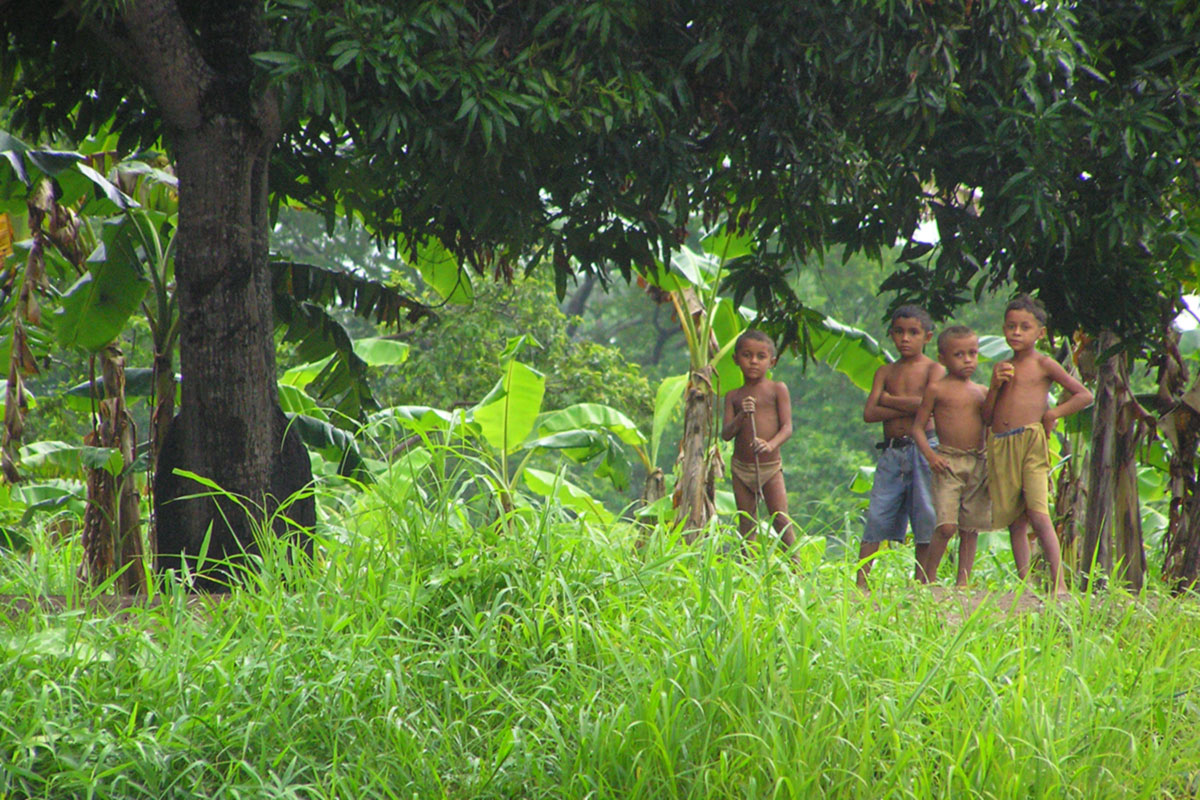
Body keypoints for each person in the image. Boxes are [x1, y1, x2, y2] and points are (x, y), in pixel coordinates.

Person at [983, 294, 1093, 596]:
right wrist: (994, 386)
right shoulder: (1002, 367)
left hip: (1031, 442)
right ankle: (1025, 586)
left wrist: (1053, 413)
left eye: (1024, 327)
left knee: (1038, 513)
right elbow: (987, 416)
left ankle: (1058, 586)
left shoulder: (1044, 364)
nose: (1016, 333)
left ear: (1040, 333)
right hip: (1002, 444)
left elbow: (1084, 395)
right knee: (1014, 519)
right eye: (1010, 326)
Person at [858, 305, 944, 590]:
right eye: (898, 332)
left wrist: (889, 400)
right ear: (891, 335)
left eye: (913, 332)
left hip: (925, 450)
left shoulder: (935, 369)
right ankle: (861, 582)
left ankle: (921, 582)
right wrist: (912, 406)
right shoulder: (886, 370)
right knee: (878, 513)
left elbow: (928, 407)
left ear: (927, 337)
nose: (905, 338)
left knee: (926, 514)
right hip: (892, 452)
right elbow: (870, 413)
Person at [911, 325, 991, 587]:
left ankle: (963, 583)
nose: (968, 360)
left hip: (977, 461)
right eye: (959, 355)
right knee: (946, 526)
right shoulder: (937, 389)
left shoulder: (981, 392)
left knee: (970, 527)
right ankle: (927, 579)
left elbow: (992, 422)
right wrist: (931, 457)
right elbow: (917, 428)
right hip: (947, 462)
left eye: (973, 353)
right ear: (943, 358)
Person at [721, 329, 796, 554]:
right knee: (747, 523)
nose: (753, 362)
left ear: (772, 361)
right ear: (736, 359)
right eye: (747, 355)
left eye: (761, 357)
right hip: (741, 469)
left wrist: (770, 445)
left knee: (780, 519)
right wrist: (741, 416)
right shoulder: (733, 396)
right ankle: (748, 573)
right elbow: (725, 434)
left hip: (770, 467)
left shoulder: (777, 389)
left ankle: (797, 571)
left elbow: (787, 428)